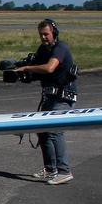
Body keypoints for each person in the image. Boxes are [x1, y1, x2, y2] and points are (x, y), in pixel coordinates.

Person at [14, 18, 79, 185]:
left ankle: (64, 171)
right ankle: (51, 169)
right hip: (49, 96)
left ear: (54, 33)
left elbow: (49, 67)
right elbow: (37, 68)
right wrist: (22, 73)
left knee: (55, 130)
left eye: (46, 34)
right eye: (41, 35)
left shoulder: (60, 48)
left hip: (63, 96)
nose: (43, 38)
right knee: (42, 130)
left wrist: (27, 68)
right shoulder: (43, 49)